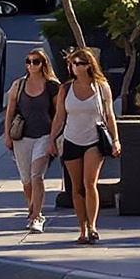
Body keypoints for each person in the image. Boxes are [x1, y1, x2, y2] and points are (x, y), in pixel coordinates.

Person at [52, 47, 121, 245]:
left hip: (93, 139)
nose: (75, 67)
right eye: (72, 64)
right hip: (71, 138)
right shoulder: (66, 89)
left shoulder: (101, 87)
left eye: (80, 63)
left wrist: (115, 140)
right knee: (76, 188)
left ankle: (93, 226)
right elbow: (59, 117)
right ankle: (82, 228)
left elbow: (109, 115)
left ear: (89, 65)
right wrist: (52, 140)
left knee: (90, 183)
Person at [2, 49, 58, 233]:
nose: (31, 65)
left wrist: (54, 138)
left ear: (43, 64)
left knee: (37, 177)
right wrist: (7, 135)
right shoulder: (18, 85)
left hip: (43, 136)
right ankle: (32, 209)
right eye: (29, 61)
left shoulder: (52, 86)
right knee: (26, 180)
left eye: (36, 62)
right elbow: (10, 111)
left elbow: (59, 113)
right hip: (22, 137)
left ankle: (37, 216)